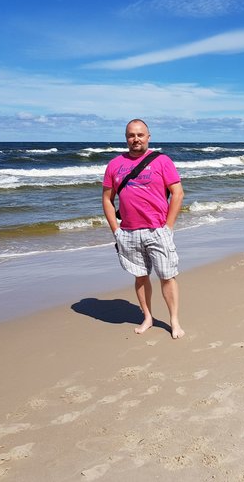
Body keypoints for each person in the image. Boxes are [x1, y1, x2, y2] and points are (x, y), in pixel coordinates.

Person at [102, 119, 185, 339]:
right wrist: (116, 231)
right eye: (131, 135)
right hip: (128, 232)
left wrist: (168, 227)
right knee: (140, 277)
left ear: (148, 137)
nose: (136, 139)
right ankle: (147, 317)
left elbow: (177, 193)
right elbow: (107, 199)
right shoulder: (114, 165)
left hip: (157, 231)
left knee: (167, 276)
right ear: (126, 138)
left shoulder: (162, 161)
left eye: (140, 134)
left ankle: (174, 321)